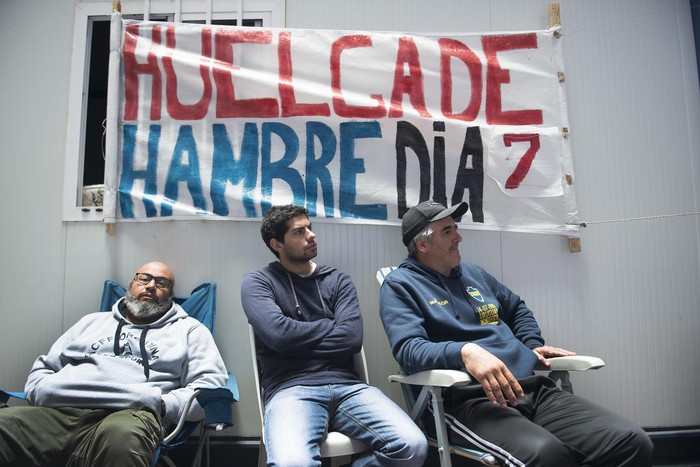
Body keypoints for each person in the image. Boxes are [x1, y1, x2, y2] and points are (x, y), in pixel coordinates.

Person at [379, 200, 653, 467]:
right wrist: (464, 352)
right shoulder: (400, 285)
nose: (458, 237)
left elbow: (517, 309)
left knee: (631, 441)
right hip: (468, 401)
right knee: (546, 455)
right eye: (447, 231)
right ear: (422, 244)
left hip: (530, 389)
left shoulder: (474, 275)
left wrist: (532, 345)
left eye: (455, 228)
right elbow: (409, 350)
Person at [241, 204, 428, 467]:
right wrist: (329, 325)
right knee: (293, 463)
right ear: (277, 244)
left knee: (412, 446)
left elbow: (351, 338)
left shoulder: (338, 280)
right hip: (291, 389)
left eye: (310, 227)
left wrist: (294, 337)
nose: (311, 235)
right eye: (299, 232)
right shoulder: (259, 282)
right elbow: (278, 335)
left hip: (348, 387)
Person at [0, 261, 228, 467]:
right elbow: (46, 366)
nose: (150, 286)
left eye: (161, 283)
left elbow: (209, 387)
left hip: (127, 417)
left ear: (171, 294)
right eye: (144, 278)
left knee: (123, 439)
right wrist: (40, 389)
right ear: (131, 284)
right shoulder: (91, 322)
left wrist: (162, 405)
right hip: (59, 412)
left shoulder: (189, 330)